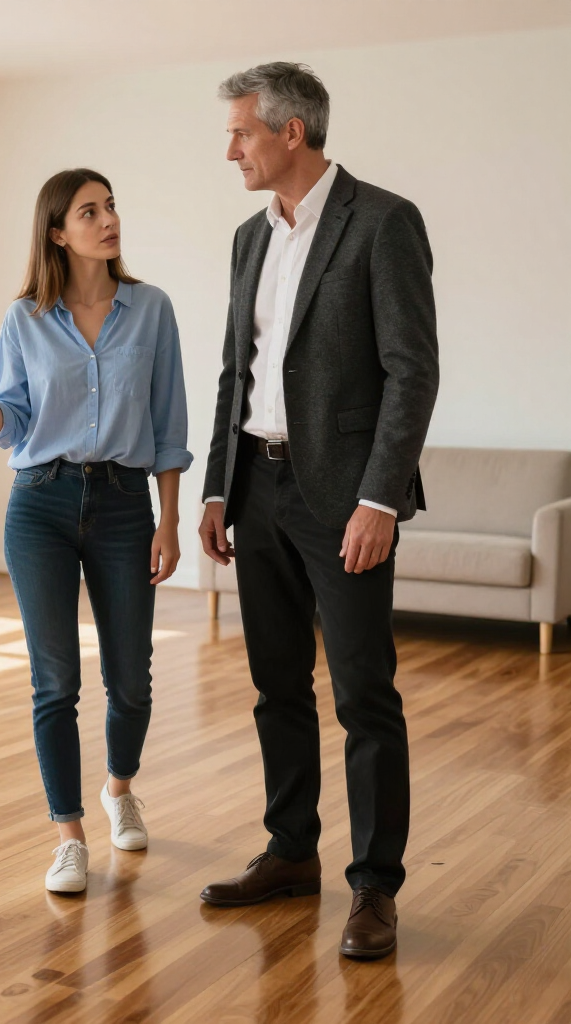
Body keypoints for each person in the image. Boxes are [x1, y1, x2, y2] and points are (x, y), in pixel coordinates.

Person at [0, 168, 192, 894]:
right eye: (90, 210)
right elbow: (14, 426)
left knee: (133, 681)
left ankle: (119, 790)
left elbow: (169, 424)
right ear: (58, 231)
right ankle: (69, 835)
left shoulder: (152, 310)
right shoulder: (23, 319)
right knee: (55, 681)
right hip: (40, 506)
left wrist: (170, 520)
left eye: (112, 205)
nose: (109, 219)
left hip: (125, 505)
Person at [197, 63, 438, 959]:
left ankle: (376, 887)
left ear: (291, 132)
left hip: (345, 499)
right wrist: (221, 487)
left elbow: (413, 371)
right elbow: (238, 370)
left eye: (242, 134)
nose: (232, 150)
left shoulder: (382, 221)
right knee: (275, 685)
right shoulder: (246, 239)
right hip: (256, 489)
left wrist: (380, 497)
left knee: (365, 695)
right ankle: (291, 851)